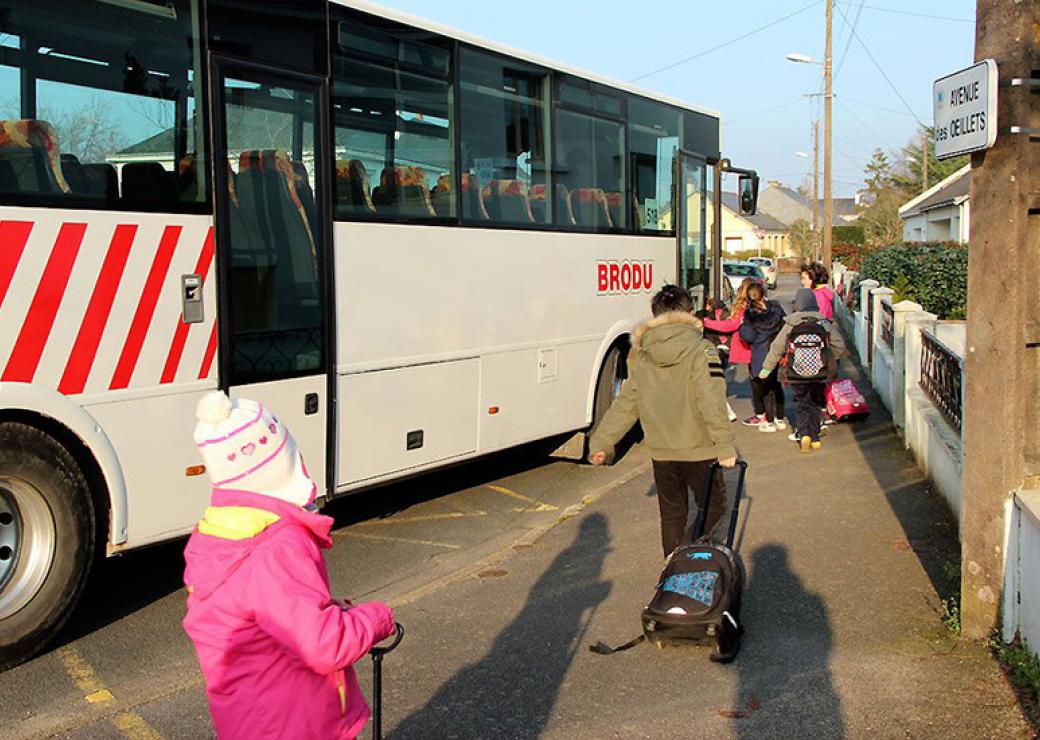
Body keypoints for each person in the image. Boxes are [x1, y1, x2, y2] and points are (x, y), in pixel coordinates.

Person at [183, 392, 397, 740]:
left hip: (250, 722)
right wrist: (376, 619)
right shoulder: (277, 545)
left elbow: (265, 613)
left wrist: (325, 611)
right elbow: (322, 645)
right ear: (278, 464)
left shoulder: (219, 536)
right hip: (298, 726)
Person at [587, 285, 738, 556]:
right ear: (689, 313)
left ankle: (672, 564)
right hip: (699, 447)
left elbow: (626, 403)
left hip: (661, 450)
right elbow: (712, 401)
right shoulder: (702, 350)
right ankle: (692, 557)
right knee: (714, 507)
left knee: (672, 513)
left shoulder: (643, 355)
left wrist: (603, 441)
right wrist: (725, 446)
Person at [759, 288, 846, 453]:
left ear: (797, 304)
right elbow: (839, 346)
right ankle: (815, 437)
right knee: (815, 402)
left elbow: (776, 348)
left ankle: (804, 433)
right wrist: (826, 358)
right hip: (819, 372)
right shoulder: (823, 323)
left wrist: (766, 368)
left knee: (800, 402)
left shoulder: (791, 324)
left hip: (795, 372)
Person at [703, 277, 757, 425]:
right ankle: (772, 418)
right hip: (758, 346)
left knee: (756, 383)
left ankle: (762, 416)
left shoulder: (744, 307)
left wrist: (705, 322)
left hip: (748, 348)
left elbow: (730, 325)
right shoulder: (760, 305)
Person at [738, 282, 787, 433]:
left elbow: (749, 336)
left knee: (766, 389)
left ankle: (770, 422)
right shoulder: (776, 308)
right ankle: (780, 419)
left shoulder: (750, 315)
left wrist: (742, 326)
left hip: (761, 355)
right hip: (779, 353)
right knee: (777, 387)